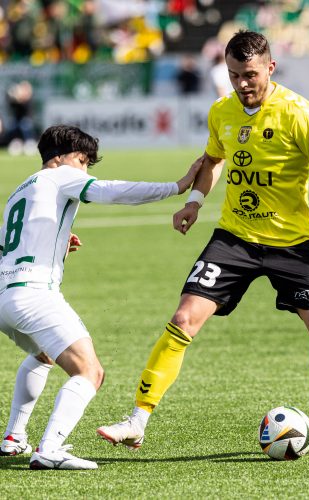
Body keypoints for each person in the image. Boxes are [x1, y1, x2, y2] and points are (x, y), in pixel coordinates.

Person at [97, 30, 309, 449]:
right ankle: (137, 419)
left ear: (270, 68)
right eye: (233, 75)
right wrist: (194, 201)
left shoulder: (299, 113)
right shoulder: (222, 111)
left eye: (250, 75)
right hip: (234, 239)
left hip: (292, 243)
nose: (242, 84)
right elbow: (213, 158)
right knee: (183, 319)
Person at [0, 124, 201, 469]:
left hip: (5, 296)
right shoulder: (61, 176)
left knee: (44, 354)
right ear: (62, 158)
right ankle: (50, 449)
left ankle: (13, 437)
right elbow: (112, 191)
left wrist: (59, 244)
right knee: (90, 372)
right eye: (83, 162)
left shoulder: (20, 190)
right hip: (35, 295)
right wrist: (178, 186)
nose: (85, 171)